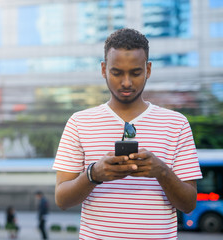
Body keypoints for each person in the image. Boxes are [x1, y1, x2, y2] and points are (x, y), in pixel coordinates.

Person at [53, 28, 202, 239]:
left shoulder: (176, 124)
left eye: (135, 72)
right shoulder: (79, 122)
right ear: (103, 69)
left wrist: (162, 172)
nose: (126, 82)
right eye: (116, 72)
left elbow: (188, 204)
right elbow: (61, 199)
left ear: (148, 70)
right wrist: (93, 175)